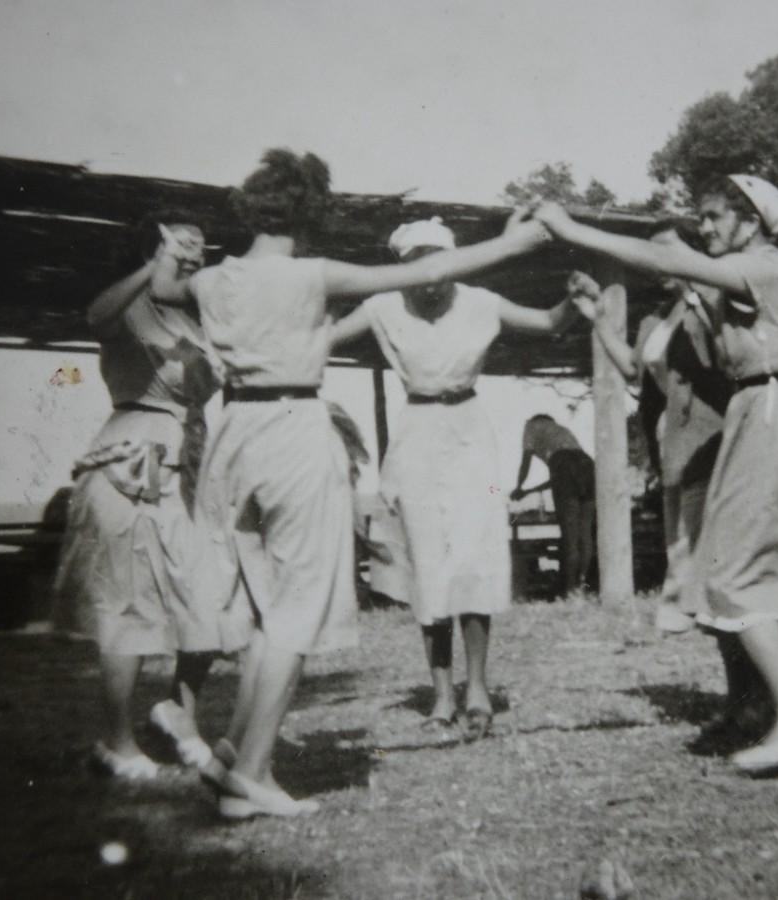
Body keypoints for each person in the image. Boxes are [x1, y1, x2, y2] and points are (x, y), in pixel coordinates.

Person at [149, 150, 550, 818]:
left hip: (231, 434)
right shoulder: (311, 273)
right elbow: (428, 268)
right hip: (292, 428)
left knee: (259, 607)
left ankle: (229, 755)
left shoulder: (215, 279)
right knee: (298, 606)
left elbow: (163, 289)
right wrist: (516, 242)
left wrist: (170, 251)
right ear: (309, 214)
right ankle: (252, 772)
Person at [535, 174, 778, 776]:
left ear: (752, 220)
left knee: (729, 576)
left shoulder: (763, 266)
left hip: (767, 413)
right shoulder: (758, 277)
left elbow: (664, 257)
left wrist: (570, 229)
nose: (705, 228)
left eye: (713, 217)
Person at [331, 216, 584, 740]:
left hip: (471, 437)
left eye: (438, 261)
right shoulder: (380, 306)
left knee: (475, 556)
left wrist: (574, 301)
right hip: (415, 437)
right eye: (416, 264)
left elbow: (548, 323)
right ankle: (442, 692)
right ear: (400, 266)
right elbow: (318, 340)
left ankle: (478, 688)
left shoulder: (480, 302)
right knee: (428, 564)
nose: (430, 276)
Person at [52, 212, 221, 780]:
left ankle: (179, 715)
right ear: (151, 253)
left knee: (211, 595)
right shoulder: (126, 307)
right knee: (128, 603)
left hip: (190, 459)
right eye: (181, 253)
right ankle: (117, 742)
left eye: (199, 255)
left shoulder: (197, 320)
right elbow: (94, 315)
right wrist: (154, 265)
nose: (193, 262)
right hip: (132, 457)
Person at [575, 274, 771, 752]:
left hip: (717, 449)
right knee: (704, 585)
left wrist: (699, 299)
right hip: (677, 455)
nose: (659, 264)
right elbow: (633, 372)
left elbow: (725, 364)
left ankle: (758, 702)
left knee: (727, 581)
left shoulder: (709, 310)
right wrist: (599, 321)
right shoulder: (653, 320)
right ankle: (742, 701)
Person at [510, 414, 596, 596]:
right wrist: (528, 491)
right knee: (585, 533)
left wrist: (519, 487)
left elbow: (527, 461)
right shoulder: (562, 432)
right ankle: (581, 586)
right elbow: (555, 480)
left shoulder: (530, 425)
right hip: (588, 466)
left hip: (564, 468)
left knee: (570, 535)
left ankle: (569, 590)